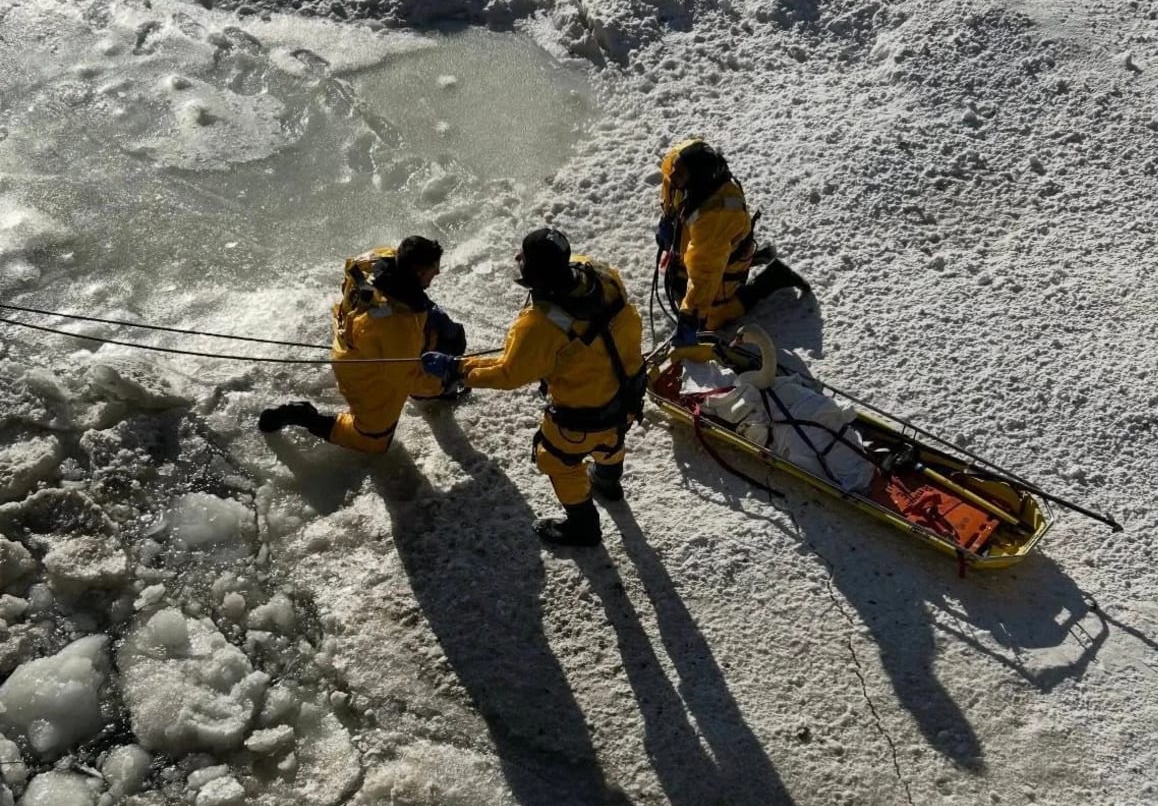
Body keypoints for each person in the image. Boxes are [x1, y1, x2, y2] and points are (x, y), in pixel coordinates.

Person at [421, 228, 645, 548]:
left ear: (535, 271)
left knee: (558, 460)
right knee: (611, 440)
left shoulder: (540, 325)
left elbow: (508, 374)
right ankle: (608, 483)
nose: (517, 259)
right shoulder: (600, 274)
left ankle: (584, 528)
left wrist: (456, 368)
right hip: (626, 394)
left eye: (522, 257)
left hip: (583, 413)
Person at [258, 235, 466, 454]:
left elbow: (349, 280)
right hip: (360, 368)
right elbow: (405, 377)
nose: (439, 272)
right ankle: (305, 416)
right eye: (434, 267)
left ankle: (430, 390)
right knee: (373, 441)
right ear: (418, 271)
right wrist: (442, 382)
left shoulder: (377, 258)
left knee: (445, 330)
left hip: (355, 334)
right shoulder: (400, 325)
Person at [656, 136, 807, 350]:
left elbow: (705, 274)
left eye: (679, 175)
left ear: (696, 180)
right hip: (703, 249)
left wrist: (691, 318)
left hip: (718, 258)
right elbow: (670, 189)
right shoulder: (683, 165)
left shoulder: (716, 214)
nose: (673, 175)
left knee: (709, 319)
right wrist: (667, 220)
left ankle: (770, 280)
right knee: (681, 287)